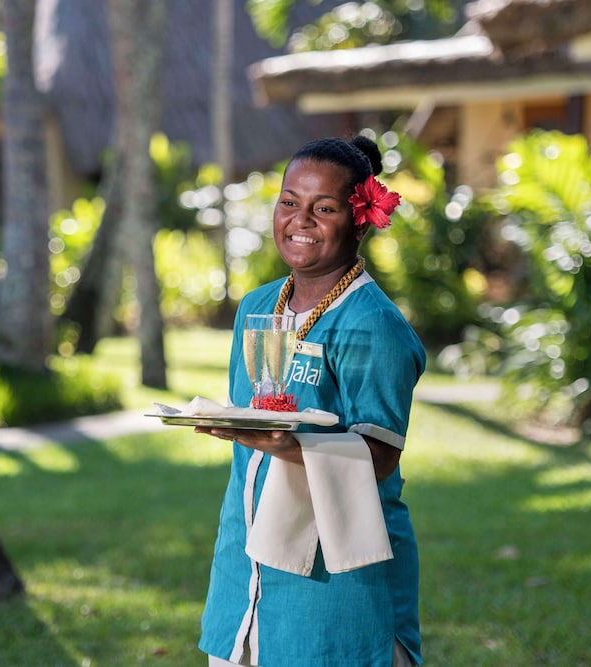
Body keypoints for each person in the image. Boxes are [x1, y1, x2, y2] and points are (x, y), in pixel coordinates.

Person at [194, 135, 425, 667]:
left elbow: (382, 454)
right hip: (245, 554)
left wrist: (285, 443)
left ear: (361, 217)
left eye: (324, 208)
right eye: (289, 202)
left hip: (338, 569)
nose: (301, 220)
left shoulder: (374, 325)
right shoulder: (257, 308)